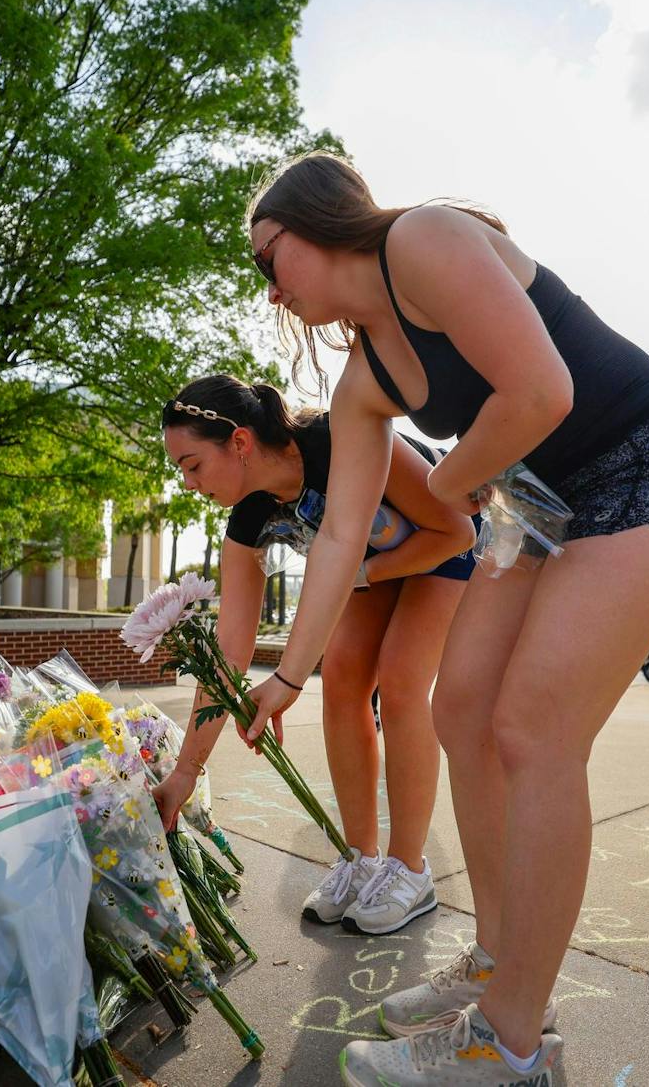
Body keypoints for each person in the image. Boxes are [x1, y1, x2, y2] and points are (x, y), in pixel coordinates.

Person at [239, 153, 649, 1086]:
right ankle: (503, 968)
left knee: (532, 727)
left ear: (321, 218)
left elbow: (543, 391)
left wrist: (456, 484)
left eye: (272, 258)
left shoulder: (424, 237)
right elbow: (340, 537)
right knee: (458, 707)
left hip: (644, 461)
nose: (272, 291)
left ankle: (510, 1046)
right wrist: (288, 676)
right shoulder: (364, 380)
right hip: (534, 501)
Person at [154, 374, 476, 934]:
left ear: (239, 441)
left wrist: (364, 572)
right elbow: (232, 647)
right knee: (344, 680)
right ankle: (361, 859)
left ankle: (409, 869)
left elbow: (457, 532)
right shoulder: (248, 517)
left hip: (440, 549)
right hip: (366, 567)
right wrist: (185, 772)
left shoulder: (341, 439)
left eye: (192, 464)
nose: (187, 483)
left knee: (400, 678)